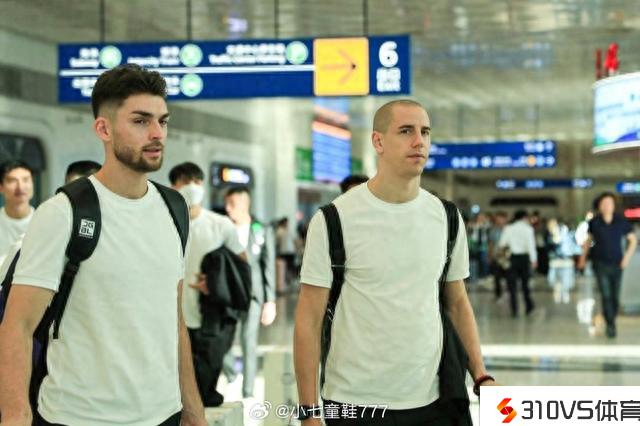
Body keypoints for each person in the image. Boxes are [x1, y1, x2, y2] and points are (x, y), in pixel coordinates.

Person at [0, 64, 206, 426]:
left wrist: (192, 409)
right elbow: (17, 326)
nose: (157, 133)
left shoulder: (174, 209)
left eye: (163, 121)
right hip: (79, 416)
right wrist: (15, 416)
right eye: (140, 121)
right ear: (103, 129)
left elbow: (173, 318)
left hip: (163, 414)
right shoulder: (62, 213)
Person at [294, 99, 495, 426]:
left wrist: (481, 374)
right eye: (405, 131)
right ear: (378, 141)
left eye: (425, 132)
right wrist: (308, 412)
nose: (419, 141)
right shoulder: (334, 219)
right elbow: (309, 318)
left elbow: (457, 303)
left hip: (433, 399)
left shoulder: (446, 217)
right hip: (355, 402)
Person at [169, 161, 246, 407]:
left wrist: (216, 282)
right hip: (171, 317)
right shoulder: (164, 223)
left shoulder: (220, 225)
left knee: (204, 386)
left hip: (209, 317)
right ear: (174, 186)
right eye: (185, 181)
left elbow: (241, 266)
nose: (192, 187)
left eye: (197, 181)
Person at [223, 185, 276, 398]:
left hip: (254, 295)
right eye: (226, 204)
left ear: (245, 204)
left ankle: (248, 392)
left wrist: (270, 301)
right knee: (224, 341)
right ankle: (231, 377)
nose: (227, 208)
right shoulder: (223, 227)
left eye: (232, 204)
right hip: (228, 295)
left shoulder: (260, 229)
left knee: (249, 341)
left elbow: (268, 265)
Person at [579, 192, 637, 338]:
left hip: (617, 264)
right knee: (605, 295)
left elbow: (633, 240)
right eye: (603, 204)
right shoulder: (594, 222)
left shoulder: (621, 222)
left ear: (614, 206)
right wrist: (582, 258)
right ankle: (611, 326)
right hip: (600, 263)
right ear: (599, 206)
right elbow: (588, 241)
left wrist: (626, 259)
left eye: (609, 203)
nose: (606, 206)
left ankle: (609, 318)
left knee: (615, 297)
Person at [499, 210, 538, 317]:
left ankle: (514, 309)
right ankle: (528, 305)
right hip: (524, 259)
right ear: (524, 217)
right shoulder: (528, 229)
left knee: (512, 285)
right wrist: (534, 260)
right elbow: (531, 246)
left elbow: (502, 244)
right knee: (525, 284)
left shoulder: (508, 228)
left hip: (512, 258)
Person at [0, 160, 34, 266]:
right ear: (1, 187)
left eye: (26, 180)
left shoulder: (44, 222)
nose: (20, 187)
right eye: (12, 181)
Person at [488, 211, 509, 301]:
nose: (498, 221)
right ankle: (498, 294)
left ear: (505, 219)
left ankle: (509, 293)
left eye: (500, 219)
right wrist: (490, 256)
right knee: (496, 276)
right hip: (496, 256)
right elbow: (491, 244)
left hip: (506, 257)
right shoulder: (493, 230)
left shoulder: (509, 230)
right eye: (497, 219)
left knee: (508, 276)